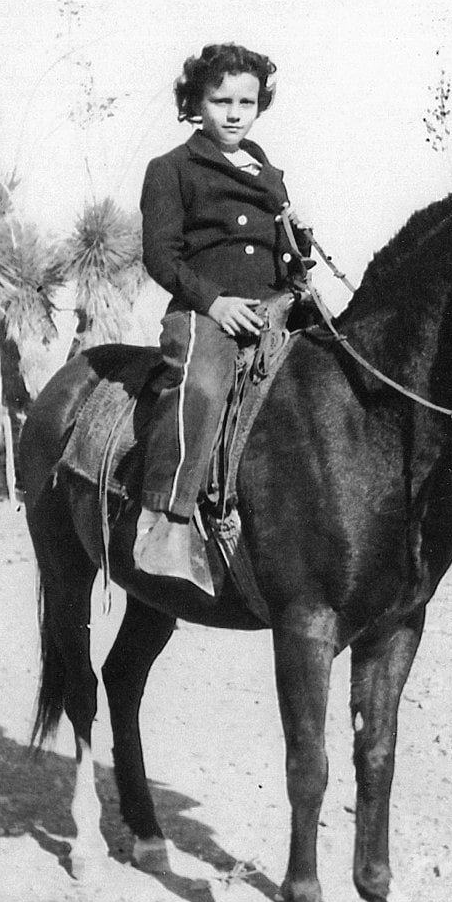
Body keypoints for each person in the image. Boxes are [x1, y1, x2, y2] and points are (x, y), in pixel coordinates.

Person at [134, 42, 310, 590]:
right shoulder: (172, 169)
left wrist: (297, 246)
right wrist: (214, 302)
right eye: (221, 101)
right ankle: (170, 519)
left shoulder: (267, 171)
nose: (234, 114)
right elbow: (161, 256)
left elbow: (278, 253)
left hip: (275, 307)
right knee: (204, 386)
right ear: (196, 102)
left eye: (247, 102)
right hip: (207, 312)